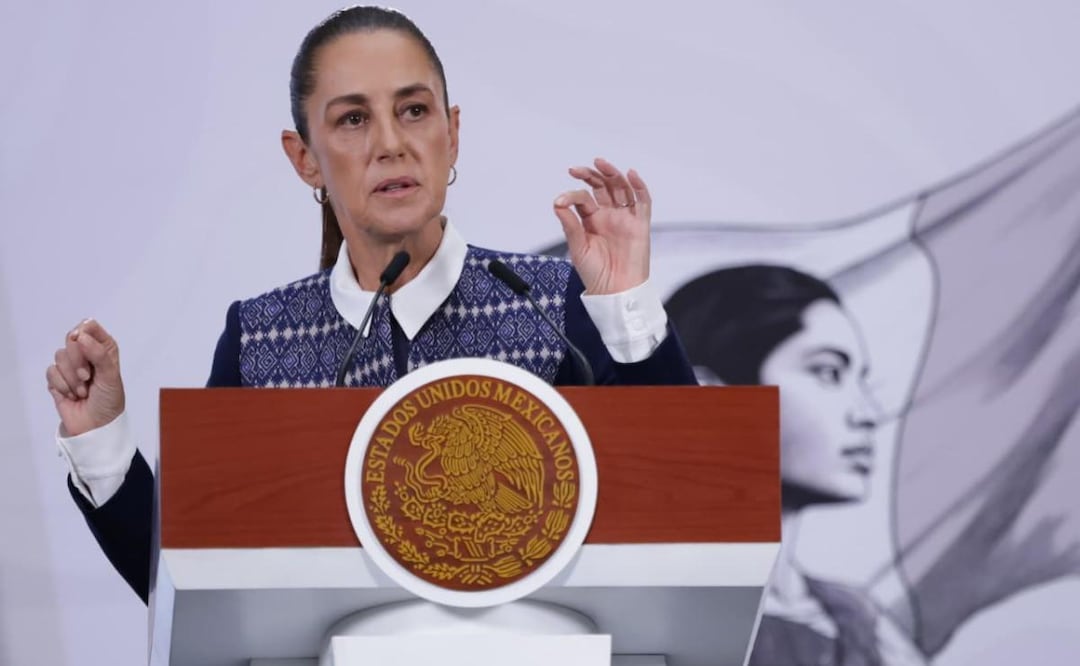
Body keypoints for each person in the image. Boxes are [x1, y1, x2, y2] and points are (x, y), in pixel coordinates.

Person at [45, 6, 697, 604]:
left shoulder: (554, 306)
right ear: (304, 158)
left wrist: (626, 306)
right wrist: (100, 438)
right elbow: (194, 584)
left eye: (413, 110)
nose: (391, 142)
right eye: (353, 119)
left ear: (452, 133)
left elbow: (686, 506)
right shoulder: (259, 341)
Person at [666, 265, 926, 666]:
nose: (868, 414)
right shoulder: (642, 615)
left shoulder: (862, 624)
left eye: (860, 380)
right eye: (828, 373)